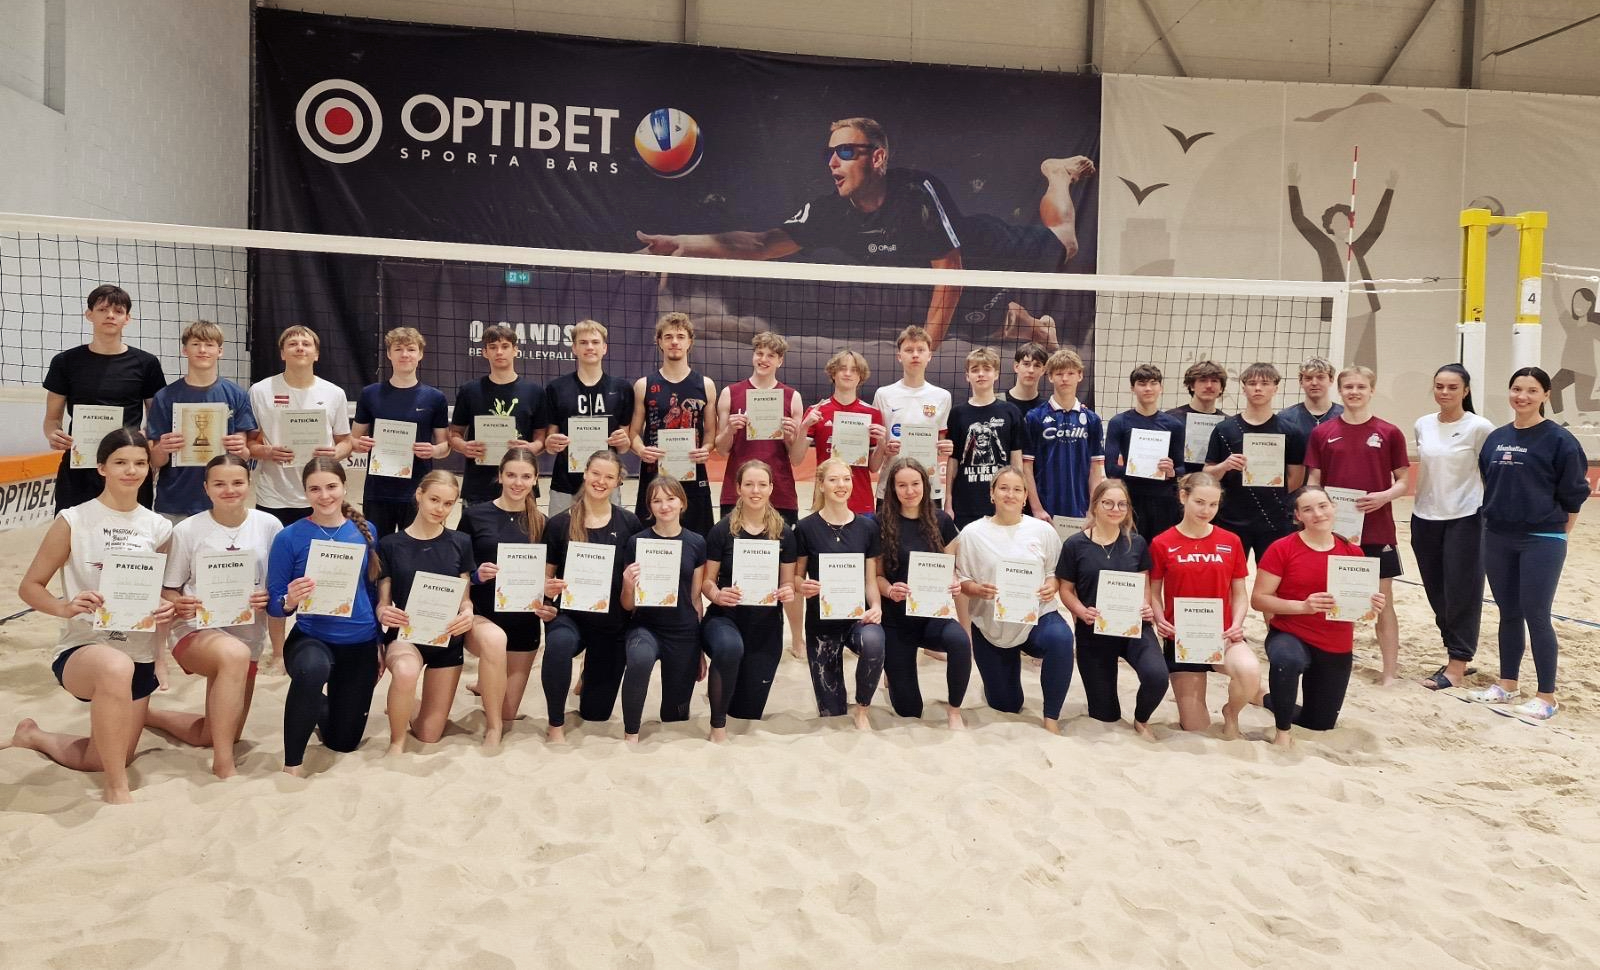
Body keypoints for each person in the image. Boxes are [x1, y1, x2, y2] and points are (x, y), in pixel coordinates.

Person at [637, 116, 1095, 348]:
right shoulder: (829, 213)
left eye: (845, 152)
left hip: (984, 252)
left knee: (1067, 244)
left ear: (877, 158)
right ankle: (1036, 326)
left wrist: (925, 352)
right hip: (946, 287)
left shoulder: (915, 193)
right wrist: (684, 244)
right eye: (829, 154)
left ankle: (1056, 176)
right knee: (989, 324)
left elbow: (951, 273)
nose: (832, 162)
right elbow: (760, 245)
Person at [8, 429, 174, 803]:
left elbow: (160, 593)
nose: (131, 470)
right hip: (85, 649)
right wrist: (64, 607)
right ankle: (117, 789)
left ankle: (32, 735)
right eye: (120, 462)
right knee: (114, 666)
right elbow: (30, 587)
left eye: (139, 463)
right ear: (101, 468)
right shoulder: (74, 520)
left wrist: (166, 608)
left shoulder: (159, 527)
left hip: (138, 651)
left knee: (104, 757)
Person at [147, 455, 283, 778]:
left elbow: (277, 590)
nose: (229, 490)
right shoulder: (187, 530)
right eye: (219, 484)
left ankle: (146, 715)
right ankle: (224, 764)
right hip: (195, 628)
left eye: (237, 482)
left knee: (217, 733)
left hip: (247, 634)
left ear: (249, 484)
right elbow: (169, 590)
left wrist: (268, 597)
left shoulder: (269, 525)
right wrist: (180, 603)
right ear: (206, 488)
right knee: (232, 655)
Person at [1470, 367, 1589, 720]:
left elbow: (1574, 495)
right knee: (1508, 612)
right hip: (1498, 535)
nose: (1522, 396)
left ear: (1546, 395)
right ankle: (1507, 685)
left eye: (1532, 390)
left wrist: (1558, 533)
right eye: (1517, 389)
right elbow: (1489, 479)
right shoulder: (1496, 438)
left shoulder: (1560, 440)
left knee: (1537, 614)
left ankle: (1546, 697)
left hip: (1542, 538)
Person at [267, 458, 382, 776]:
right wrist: (290, 600)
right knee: (312, 669)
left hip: (359, 642)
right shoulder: (289, 537)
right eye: (314, 489)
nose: (325, 495)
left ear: (344, 486)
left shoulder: (366, 530)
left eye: (331, 486)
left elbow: (372, 592)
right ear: (305, 492)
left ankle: (316, 702)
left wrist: (379, 643)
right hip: (312, 638)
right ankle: (293, 763)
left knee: (343, 742)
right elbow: (274, 605)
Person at [1252, 486, 1387, 746]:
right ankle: (1282, 733)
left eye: (1323, 506)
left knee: (1320, 723)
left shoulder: (1353, 552)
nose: (1318, 514)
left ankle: (1263, 698)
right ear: (1298, 516)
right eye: (1308, 509)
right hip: (1291, 633)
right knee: (1285, 661)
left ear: (1333, 507)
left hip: (1334, 642)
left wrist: (1372, 605)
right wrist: (1303, 606)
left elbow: (1358, 607)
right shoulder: (1282, 548)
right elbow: (1259, 599)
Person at [376, 471, 496, 752]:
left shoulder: (460, 542)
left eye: (448, 503)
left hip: (446, 640)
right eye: (434, 500)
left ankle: (411, 705)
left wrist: (467, 613)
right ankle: (396, 743)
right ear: (419, 495)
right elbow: (383, 602)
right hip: (406, 637)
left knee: (429, 735)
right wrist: (383, 612)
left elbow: (465, 599)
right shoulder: (390, 544)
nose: (440, 509)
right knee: (406, 671)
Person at [1304, 365, 1409, 685]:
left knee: (1383, 600)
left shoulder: (1389, 432)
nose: (1354, 392)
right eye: (1348, 387)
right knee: (1334, 598)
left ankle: (1389, 673)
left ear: (1371, 391)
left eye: (1361, 387)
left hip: (1377, 528)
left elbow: (1404, 481)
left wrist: (1383, 496)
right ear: (1339, 390)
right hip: (1335, 530)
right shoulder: (1322, 433)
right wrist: (1319, 509)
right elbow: (1314, 480)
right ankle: (1331, 666)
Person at [954, 467, 1074, 733]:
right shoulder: (971, 534)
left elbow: (1055, 572)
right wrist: (976, 589)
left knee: (1061, 639)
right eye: (1003, 488)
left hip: (1036, 618)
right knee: (1006, 704)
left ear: (1025, 496)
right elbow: (961, 580)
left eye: (1017, 489)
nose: (1010, 494)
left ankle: (1051, 717)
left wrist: (1051, 585)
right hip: (991, 624)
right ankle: (1001, 677)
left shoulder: (1042, 531)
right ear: (992, 493)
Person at [716, 330, 807, 657]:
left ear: (779, 361)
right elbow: (720, 448)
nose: (763, 359)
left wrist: (792, 437)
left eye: (771, 355)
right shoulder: (731, 393)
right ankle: (735, 631)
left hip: (780, 493)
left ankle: (796, 637)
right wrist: (731, 429)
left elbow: (797, 458)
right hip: (737, 494)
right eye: (759, 353)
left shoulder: (791, 397)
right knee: (735, 568)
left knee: (787, 572)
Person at [1148, 473, 1258, 738]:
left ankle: (1231, 713)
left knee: (1249, 672)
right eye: (1199, 502)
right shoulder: (1162, 542)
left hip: (1222, 635)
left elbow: (1240, 594)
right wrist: (1160, 619)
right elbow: (1153, 591)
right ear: (1183, 497)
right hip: (1182, 639)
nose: (1206, 510)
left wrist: (1236, 625)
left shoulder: (1231, 541)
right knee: (1196, 727)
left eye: (1213, 504)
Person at [1055, 479, 1168, 738]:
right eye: (1108, 503)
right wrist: (1081, 611)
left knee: (1157, 676)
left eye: (1121, 504)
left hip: (1133, 628)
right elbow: (1066, 590)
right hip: (1093, 632)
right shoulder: (1074, 545)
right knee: (1105, 714)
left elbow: (1144, 584)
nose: (1115, 509)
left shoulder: (1137, 543)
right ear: (1095, 505)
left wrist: (1146, 605)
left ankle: (1141, 719)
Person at [542, 450, 642, 741]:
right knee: (559, 645)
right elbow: (545, 579)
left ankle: (589, 674)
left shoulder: (629, 524)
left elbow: (635, 582)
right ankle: (555, 724)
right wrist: (547, 591)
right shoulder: (559, 524)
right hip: (569, 617)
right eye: (596, 473)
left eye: (609, 477)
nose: (601, 481)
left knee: (596, 714)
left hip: (611, 623)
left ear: (618, 482)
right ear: (585, 473)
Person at [42, 285, 166, 512]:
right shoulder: (65, 362)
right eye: (102, 309)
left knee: (131, 530)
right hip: (81, 464)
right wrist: (53, 434)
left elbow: (157, 418)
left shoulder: (146, 363)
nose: (110, 315)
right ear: (89, 314)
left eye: (118, 311)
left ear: (127, 318)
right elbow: (51, 420)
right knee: (74, 531)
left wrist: (147, 435)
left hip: (128, 465)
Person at [459, 447, 559, 726]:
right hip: (483, 617)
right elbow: (457, 567)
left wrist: (548, 599)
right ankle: (487, 674)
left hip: (524, 624)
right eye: (511, 475)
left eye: (526, 476)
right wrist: (476, 576)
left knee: (507, 714)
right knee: (494, 644)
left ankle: (488, 680)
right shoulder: (475, 516)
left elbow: (547, 576)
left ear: (536, 479)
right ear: (500, 476)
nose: (518, 483)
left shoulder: (543, 523)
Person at [700, 460, 798, 736]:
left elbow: (787, 582)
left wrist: (787, 591)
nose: (756, 491)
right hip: (726, 619)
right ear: (738, 488)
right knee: (729, 649)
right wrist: (717, 594)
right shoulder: (722, 530)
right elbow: (707, 582)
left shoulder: (784, 534)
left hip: (765, 625)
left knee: (746, 711)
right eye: (749, 484)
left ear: (771, 488)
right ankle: (717, 724)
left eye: (762, 484)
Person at [1412, 364, 1493, 690]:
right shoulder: (1423, 424)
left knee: (1463, 592)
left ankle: (1457, 663)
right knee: (1437, 592)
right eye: (1439, 386)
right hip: (1424, 517)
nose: (1444, 392)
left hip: (1466, 517)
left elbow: (1491, 473)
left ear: (1466, 391)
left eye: (1452, 387)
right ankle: (1455, 653)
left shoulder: (1480, 427)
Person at [875, 457, 970, 728]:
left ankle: (954, 710)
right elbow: (876, 576)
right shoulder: (880, 523)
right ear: (892, 489)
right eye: (902, 485)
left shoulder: (940, 521)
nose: (910, 491)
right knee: (910, 711)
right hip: (896, 621)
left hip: (932, 616)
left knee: (960, 643)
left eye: (915, 484)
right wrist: (890, 589)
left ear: (925, 486)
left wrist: (954, 581)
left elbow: (951, 568)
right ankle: (893, 669)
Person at [795, 459, 886, 729]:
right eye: (833, 479)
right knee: (832, 713)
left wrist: (876, 606)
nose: (841, 485)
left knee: (874, 642)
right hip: (821, 625)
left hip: (857, 619)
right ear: (821, 485)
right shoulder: (805, 527)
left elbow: (870, 579)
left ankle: (862, 709)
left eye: (846, 479)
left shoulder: (868, 527)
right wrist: (802, 586)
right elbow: (797, 577)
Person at [619, 475, 709, 742]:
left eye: (670, 499)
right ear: (649, 507)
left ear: (682, 502)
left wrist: (699, 649)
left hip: (683, 632)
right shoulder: (637, 542)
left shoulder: (696, 542)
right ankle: (631, 732)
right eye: (656, 501)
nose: (664, 506)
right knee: (639, 660)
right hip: (646, 627)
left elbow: (695, 599)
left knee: (675, 715)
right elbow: (627, 605)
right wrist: (628, 584)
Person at [145, 320, 257, 521]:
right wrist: (163, 448)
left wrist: (241, 450)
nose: (202, 350)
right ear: (184, 350)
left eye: (209, 344)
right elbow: (155, 460)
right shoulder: (165, 397)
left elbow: (244, 455)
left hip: (223, 501)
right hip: (175, 501)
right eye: (196, 344)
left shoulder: (236, 395)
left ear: (219, 351)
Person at [1287, 165, 1397, 369]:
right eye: (1337, 221)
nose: (1343, 225)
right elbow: (1299, 220)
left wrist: (1389, 190)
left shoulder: (1356, 248)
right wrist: (1293, 185)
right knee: (1341, 363)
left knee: (1368, 365)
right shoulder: (1325, 247)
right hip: (1344, 312)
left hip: (1367, 310)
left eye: (1346, 221)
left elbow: (1377, 226)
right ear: (1329, 226)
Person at [247, 325, 354, 526]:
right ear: (282, 354)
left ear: (316, 354)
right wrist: (267, 452)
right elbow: (249, 443)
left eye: (306, 344)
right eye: (292, 344)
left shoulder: (334, 393)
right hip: (273, 496)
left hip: (321, 497)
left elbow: (346, 442)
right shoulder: (260, 391)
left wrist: (334, 453)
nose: (300, 348)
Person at [350, 327, 452, 538]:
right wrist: (360, 445)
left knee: (415, 550)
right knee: (377, 550)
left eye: (411, 349)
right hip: (378, 491)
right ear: (389, 354)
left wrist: (433, 450)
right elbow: (354, 439)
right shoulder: (370, 394)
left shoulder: (435, 398)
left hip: (418, 492)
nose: (405, 354)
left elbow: (445, 447)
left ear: (420, 354)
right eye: (398, 349)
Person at [1202, 362, 1307, 567]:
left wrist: (1272, 496)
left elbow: (1295, 478)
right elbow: (1207, 474)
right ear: (1244, 389)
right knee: (1227, 577)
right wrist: (1224, 466)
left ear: (1275, 388)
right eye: (1252, 383)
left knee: (1273, 577)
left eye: (1265, 383)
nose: (1258, 388)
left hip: (1274, 521)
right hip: (1231, 518)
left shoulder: (1291, 431)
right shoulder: (1225, 429)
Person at [630, 312, 718, 535]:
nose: (674, 342)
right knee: (651, 539)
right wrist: (641, 450)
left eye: (680, 336)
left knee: (698, 539)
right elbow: (633, 433)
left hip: (692, 472)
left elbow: (710, 433)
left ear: (690, 342)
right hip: (655, 474)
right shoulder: (644, 385)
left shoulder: (706, 385)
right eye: (668, 337)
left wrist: (706, 449)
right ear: (659, 342)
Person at [541, 320, 634, 517]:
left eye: (595, 342)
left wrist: (624, 442)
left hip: (606, 482)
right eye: (583, 342)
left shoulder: (622, 388)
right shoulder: (556, 388)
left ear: (604, 348)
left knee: (607, 534)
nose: (589, 347)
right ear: (574, 348)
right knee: (560, 534)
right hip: (565, 482)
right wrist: (551, 443)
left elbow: (624, 446)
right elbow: (550, 441)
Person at [447, 324, 546, 505]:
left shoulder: (535, 392)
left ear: (515, 350)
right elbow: (454, 434)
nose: (499, 352)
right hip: (478, 486)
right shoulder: (469, 390)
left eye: (505, 346)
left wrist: (532, 447)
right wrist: (464, 446)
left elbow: (541, 437)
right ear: (485, 352)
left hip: (521, 485)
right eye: (493, 347)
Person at [872, 326, 955, 504]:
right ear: (899, 356)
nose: (915, 355)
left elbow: (941, 442)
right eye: (909, 350)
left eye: (921, 350)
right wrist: (885, 448)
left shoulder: (942, 396)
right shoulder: (883, 394)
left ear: (929, 356)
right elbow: (878, 443)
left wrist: (946, 447)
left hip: (929, 488)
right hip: (890, 487)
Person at [946, 347, 1027, 529]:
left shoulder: (1011, 412)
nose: (981, 374)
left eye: (987, 369)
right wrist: (948, 501)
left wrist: (1019, 498)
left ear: (996, 374)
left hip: (1002, 502)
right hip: (965, 502)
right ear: (967, 376)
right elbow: (953, 461)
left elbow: (1016, 461)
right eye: (975, 370)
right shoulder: (958, 413)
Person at [1104, 364, 1185, 540]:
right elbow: (1110, 469)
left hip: (1164, 501)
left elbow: (1181, 468)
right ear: (1133, 388)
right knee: (1130, 549)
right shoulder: (1119, 422)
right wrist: (1139, 470)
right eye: (1141, 383)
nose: (1148, 388)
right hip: (1131, 499)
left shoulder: (1174, 425)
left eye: (1153, 383)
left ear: (1161, 388)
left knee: (1160, 550)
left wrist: (1171, 471)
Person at [802, 348, 886, 517]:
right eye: (842, 368)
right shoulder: (816, 411)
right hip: (825, 503)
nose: (848, 373)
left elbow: (873, 467)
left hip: (861, 503)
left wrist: (882, 444)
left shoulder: (872, 414)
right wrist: (803, 426)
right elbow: (796, 459)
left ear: (860, 376)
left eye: (854, 370)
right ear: (833, 373)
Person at [1024, 347, 1104, 521]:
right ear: (1050, 377)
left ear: (1080, 376)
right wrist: (1037, 508)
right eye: (1059, 374)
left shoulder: (1092, 420)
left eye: (1071, 373)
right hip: (1044, 510)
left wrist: (1093, 509)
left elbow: (1095, 469)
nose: (1065, 379)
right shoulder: (1034, 417)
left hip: (1082, 510)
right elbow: (1026, 468)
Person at [1167, 359, 1228, 475]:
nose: (1209, 386)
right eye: (1203, 380)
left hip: (1214, 483)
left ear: (1221, 388)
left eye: (1214, 381)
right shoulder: (1171, 419)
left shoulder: (1228, 423)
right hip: (1177, 482)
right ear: (1191, 386)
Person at [1276, 356, 1343, 444]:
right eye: (1308, 378)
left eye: (1320, 377)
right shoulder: (1285, 418)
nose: (1314, 383)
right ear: (1301, 382)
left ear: (1331, 380)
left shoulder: (1345, 415)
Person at [1003, 342, 1051, 413]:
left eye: (1037, 365)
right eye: (1026, 364)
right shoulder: (998, 403)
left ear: (1043, 370)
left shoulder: (1048, 408)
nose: (1031, 370)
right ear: (1016, 367)